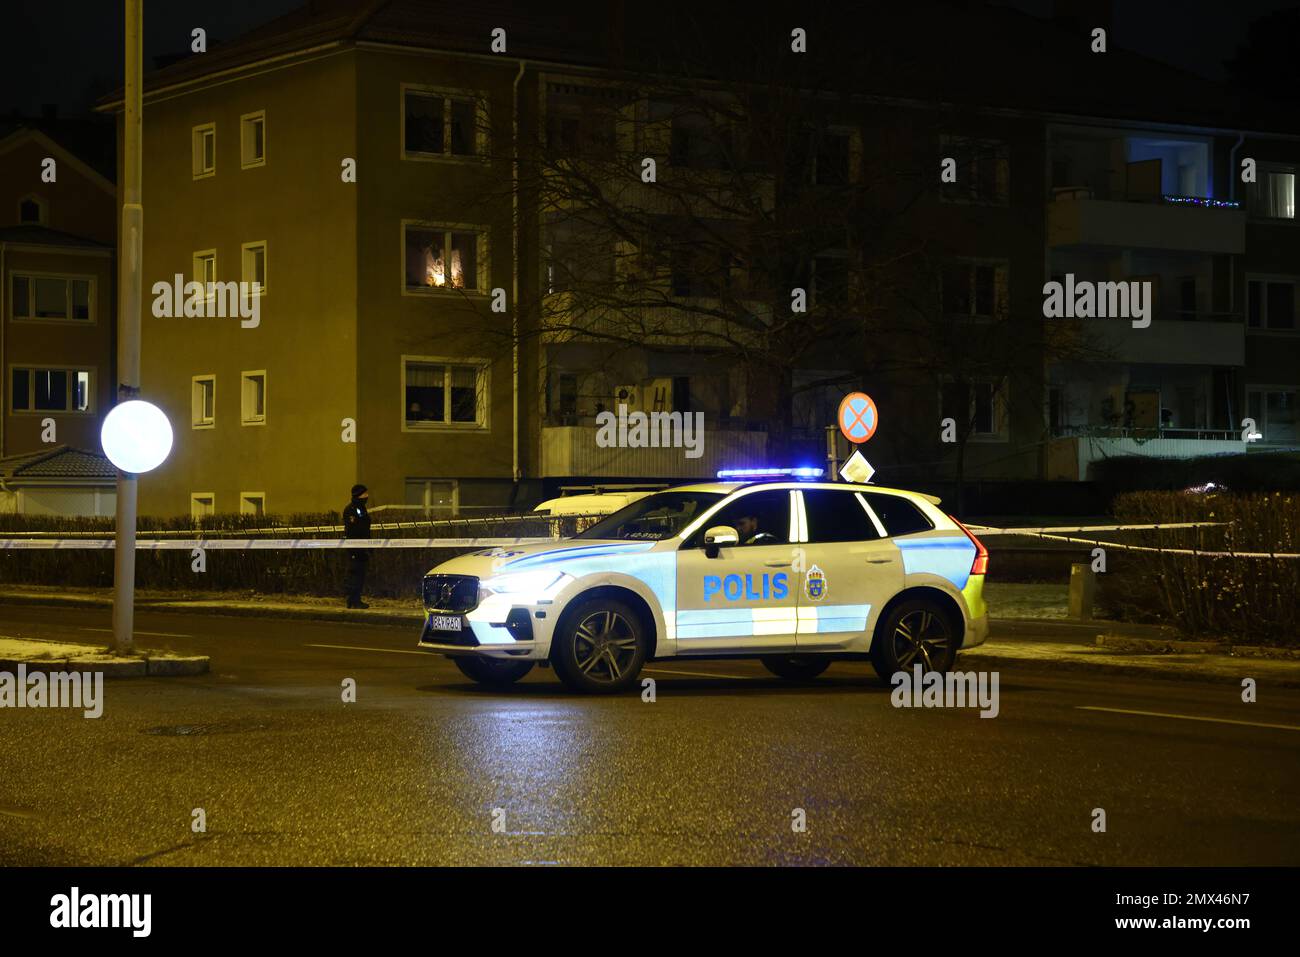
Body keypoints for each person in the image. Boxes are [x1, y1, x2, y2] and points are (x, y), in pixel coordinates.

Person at [343, 484, 372, 609]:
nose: (367, 496)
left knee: (360, 574)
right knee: (354, 573)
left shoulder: (361, 509)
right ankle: (352, 600)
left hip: (362, 546)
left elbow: (365, 528)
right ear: (358, 495)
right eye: (365, 494)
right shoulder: (351, 509)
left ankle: (356, 599)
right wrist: (358, 545)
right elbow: (355, 529)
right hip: (355, 547)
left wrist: (369, 545)